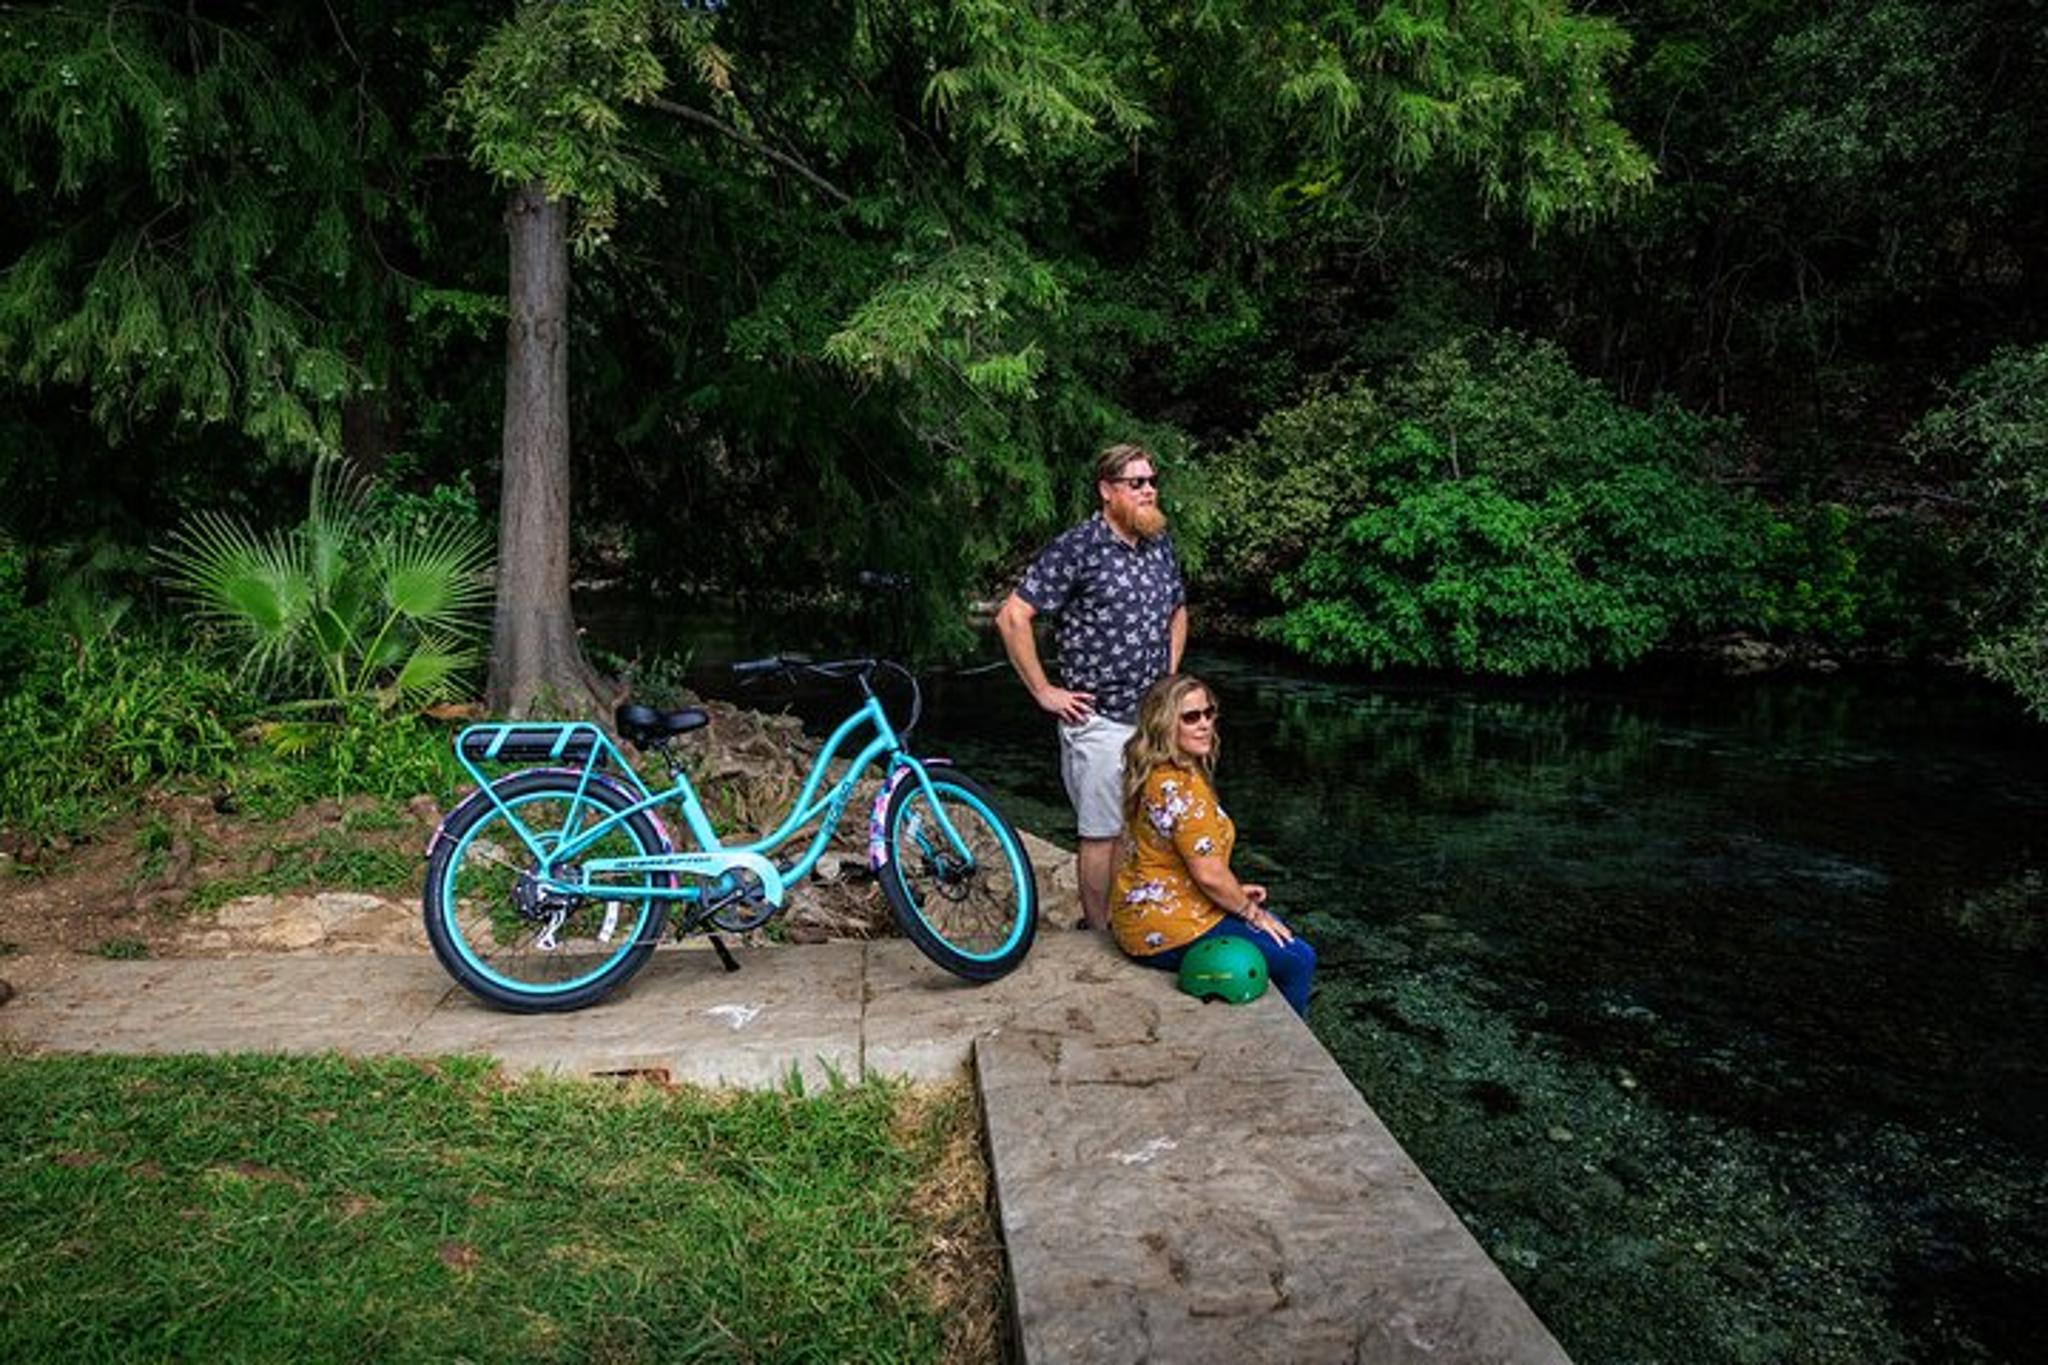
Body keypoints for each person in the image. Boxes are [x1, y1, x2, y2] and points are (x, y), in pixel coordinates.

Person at [995, 443, 1188, 931]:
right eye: (1136, 483)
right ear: (1107, 491)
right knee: (1100, 834)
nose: (1148, 490)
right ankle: (1098, 933)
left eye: (1151, 481)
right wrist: (1044, 691)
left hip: (1152, 720)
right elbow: (1013, 616)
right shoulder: (1077, 547)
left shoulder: (1158, 542)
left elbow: (1178, 609)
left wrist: (1169, 673)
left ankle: (1139, 920)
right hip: (1098, 721)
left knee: (1149, 830)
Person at [1109, 673, 1316, 1017]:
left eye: (1209, 713)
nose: (1205, 724)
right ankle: (1292, 1051)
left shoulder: (1154, 773)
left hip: (1137, 916)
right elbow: (1208, 874)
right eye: (1191, 717)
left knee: (1276, 929)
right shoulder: (1185, 792)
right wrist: (1250, 911)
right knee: (1298, 959)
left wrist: (1234, 892)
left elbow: (1161, 857)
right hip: (1164, 929)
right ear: (1163, 723)